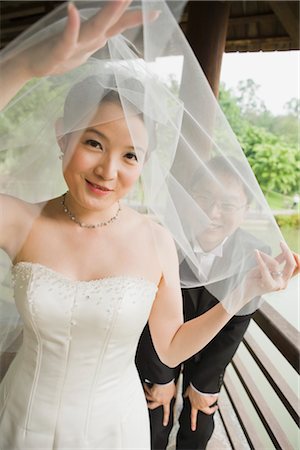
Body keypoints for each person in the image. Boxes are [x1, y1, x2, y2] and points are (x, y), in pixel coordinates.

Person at [0, 2, 296, 449]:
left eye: (131, 155)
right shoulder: (19, 221)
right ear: (63, 135)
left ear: (145, 163)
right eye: (94, 143)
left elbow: (172, 347)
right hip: (23, 418)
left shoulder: (156, 240)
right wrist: (19, 66)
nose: (108, 170)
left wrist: (243, 289)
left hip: (116, 426)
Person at [136, 157, 270, 449]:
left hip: (209, 349)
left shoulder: (256, 254)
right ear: (188, 198)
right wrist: (160, 379)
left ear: (246, 209)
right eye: (203, 197)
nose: (212, 212)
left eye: (228, 204)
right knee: (153, 418)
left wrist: (204, 386)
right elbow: (144, 313)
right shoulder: (163, 240)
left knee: (199, 425)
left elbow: (236, 324)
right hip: (158, 345)